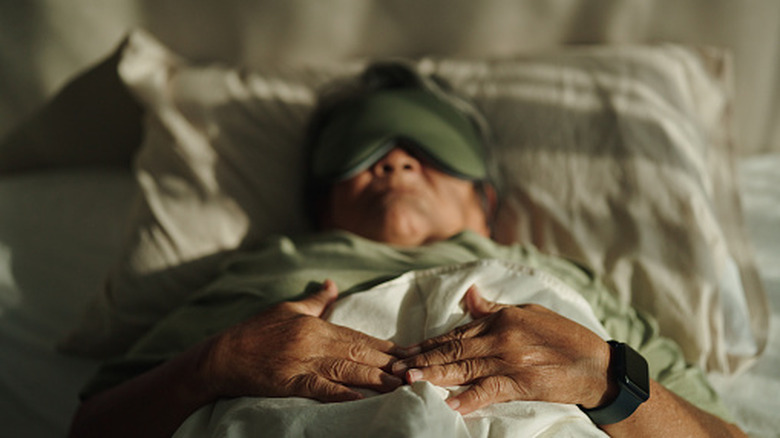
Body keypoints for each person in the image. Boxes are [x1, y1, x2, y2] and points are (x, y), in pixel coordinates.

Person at [68, 62, 746, 438]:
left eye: (426, 151)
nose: (394, 165)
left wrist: (603, 374)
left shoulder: (567, 280)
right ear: (319, 203)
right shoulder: (257, 274)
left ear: (486, 202)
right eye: (363, 154)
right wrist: (213, 365)